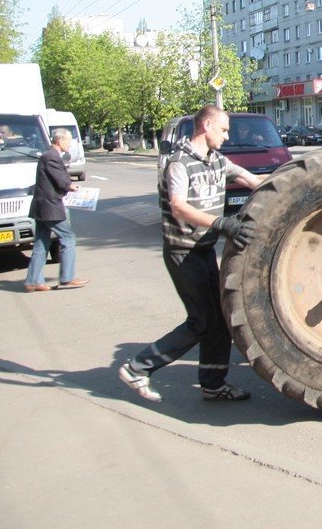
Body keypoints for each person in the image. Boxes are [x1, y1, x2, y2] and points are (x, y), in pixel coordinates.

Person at [118, 105, 261, 403]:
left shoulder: (216, 161)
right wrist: (223, 224)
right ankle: (138, 367)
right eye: (223, 129)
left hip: (204, 250)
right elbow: (178, 206)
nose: (226, 135)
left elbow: (252, 180)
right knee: (200, 321)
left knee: (220, 318)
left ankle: (212, 384)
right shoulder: (179, 164)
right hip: (183, 253)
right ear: (206, 126)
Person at [24, 128, 89, 292]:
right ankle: (67, 278)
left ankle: (33, 281)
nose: (70, 144)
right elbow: (61, 181)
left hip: (42, 207)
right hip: (50, 207)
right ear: (60, 141)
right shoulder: (52, 157)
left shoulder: (48, 156)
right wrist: (70, 186)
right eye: (68, 141)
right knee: (68, 238)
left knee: (41, 243)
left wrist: (68, 185)